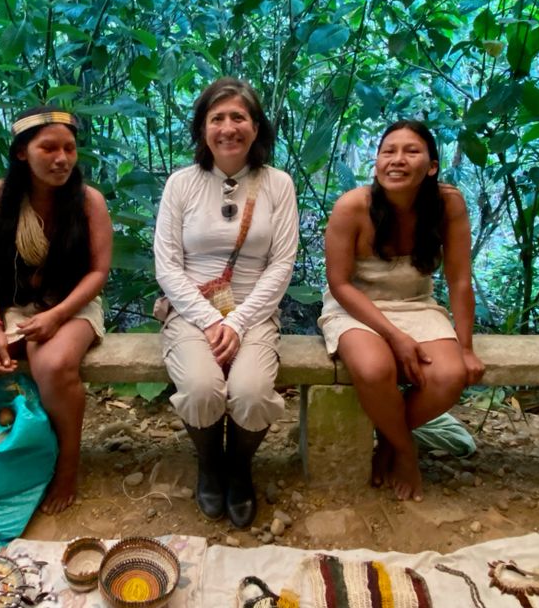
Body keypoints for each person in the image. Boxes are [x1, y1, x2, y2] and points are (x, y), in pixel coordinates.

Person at [0, 107, 113, 515]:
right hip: (1, 304)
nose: (62, 158)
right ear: (21, 153)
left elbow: (98, 272)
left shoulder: (88, 202)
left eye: (69, 148)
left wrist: (56, 315)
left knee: (52, 365)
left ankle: (67, 467)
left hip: (70, 304)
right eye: (48, 147)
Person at [154, 78, 298, 527]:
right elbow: (167, 264)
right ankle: (209, 465)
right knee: (200, 389)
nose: (228, 128)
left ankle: (239, 467)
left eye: (239, 117)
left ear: (256, 127)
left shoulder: (278, 184)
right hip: (190, 309)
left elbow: (282, 263)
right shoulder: (181, 184)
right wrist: (208, 319)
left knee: (252, 394)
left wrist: (236, 323)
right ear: (202, 129)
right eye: (217, 118)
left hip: (254, 312)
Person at [318, 120, 485, 502]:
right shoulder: (352, 207)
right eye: (388, 151)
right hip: (355, 305)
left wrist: (466, 345)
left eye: (411, 151)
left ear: (431, 166)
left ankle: (390, 441)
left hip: (415, 302)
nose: (397, 160)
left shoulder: (448, 204)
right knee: (376, 368)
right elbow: (340, 284)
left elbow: (460, 281)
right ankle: (405, 451)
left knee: (450, 375)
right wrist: (395, 337)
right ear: (376, 162)